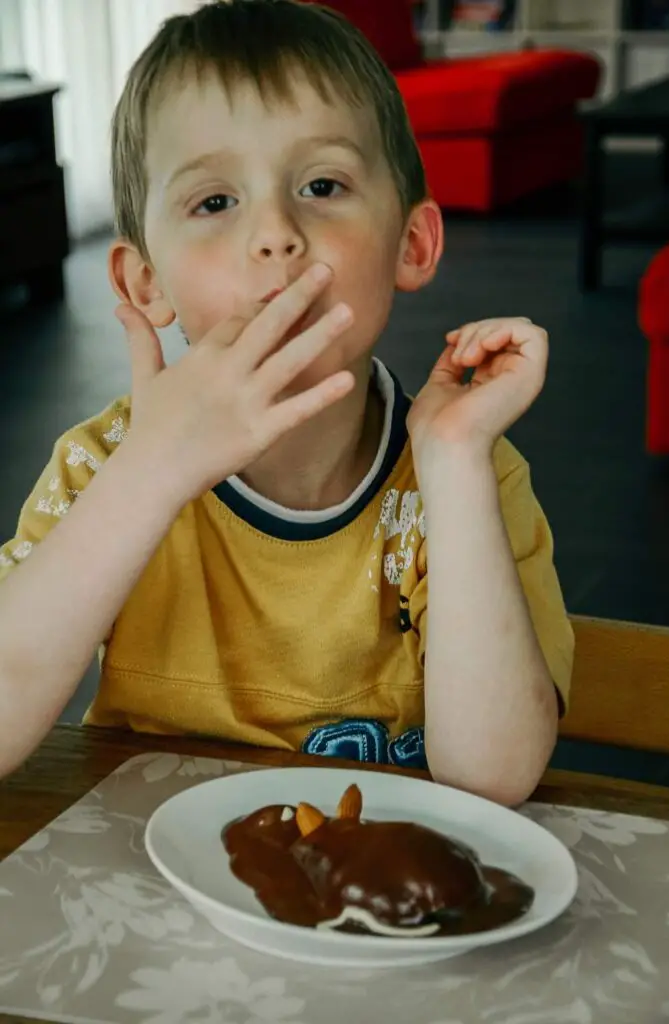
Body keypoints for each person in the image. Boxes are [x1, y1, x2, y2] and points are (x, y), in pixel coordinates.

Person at [0, 0, 573, 803]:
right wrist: (150, 474)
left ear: (411, 244)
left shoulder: (469, 472)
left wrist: (448, 463)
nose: (274, 233)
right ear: (145, 282)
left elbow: (493, 776)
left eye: (321, 184)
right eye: (214, 202)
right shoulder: (102, 466)